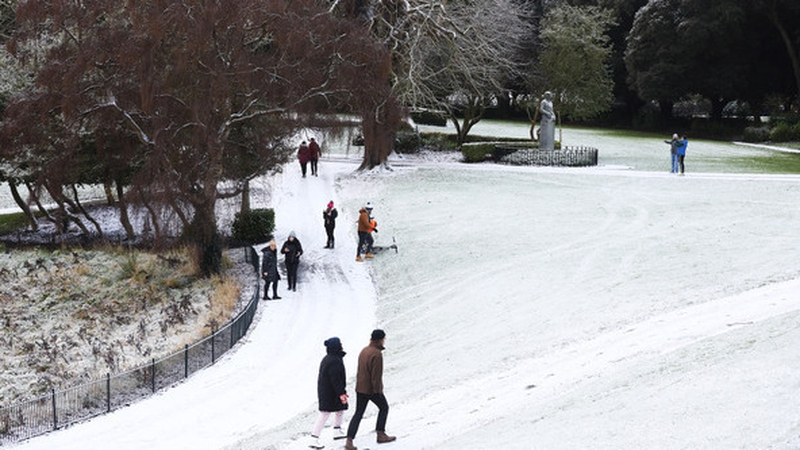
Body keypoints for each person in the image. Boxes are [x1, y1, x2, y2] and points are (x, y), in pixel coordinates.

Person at [345, 329, 396, 449]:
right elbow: (376, 376)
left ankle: (349, 441)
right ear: (380, 340)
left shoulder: (364, 350)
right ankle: (381, 434)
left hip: (360, 388)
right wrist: (378, 391)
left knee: (358, 413)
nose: (384, 341)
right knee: (384, 408)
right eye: (383, 339)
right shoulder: (376, 354)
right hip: (371, 390)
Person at [310, 337, 349, 449]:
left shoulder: (329, 358)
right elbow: (335, 379)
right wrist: (341, 393)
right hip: (330, 392)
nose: (341, 345)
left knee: (340, 409)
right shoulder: (334, 360)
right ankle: (314, 438)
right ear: (336, 346)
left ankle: (337, 431)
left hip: (327, 391)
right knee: (324, 414)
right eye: (340, 343)